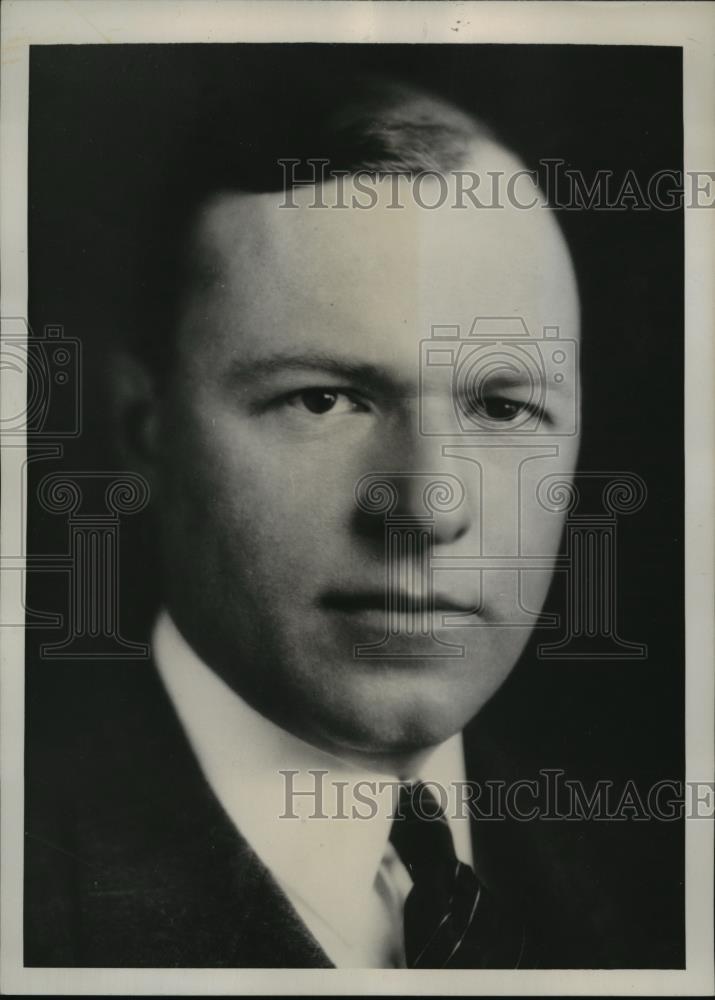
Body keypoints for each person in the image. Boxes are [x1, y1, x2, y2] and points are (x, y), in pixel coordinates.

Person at [25, 74, 614, 970]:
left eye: (501, 408)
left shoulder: (642, 878)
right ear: (146, 430)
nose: (425, 507)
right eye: (323, 399)